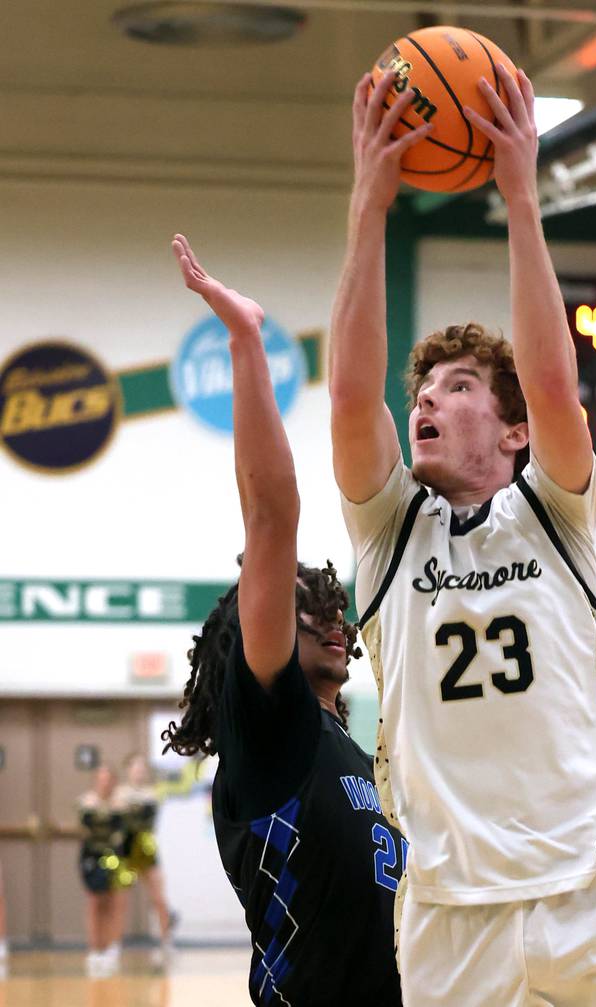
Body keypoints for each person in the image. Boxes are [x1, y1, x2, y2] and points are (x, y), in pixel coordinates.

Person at [329, 67, 596, 1005]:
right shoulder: (390, 529)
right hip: (450, 907)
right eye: (424, 390)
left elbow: (556, 385)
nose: (426, 400)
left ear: (514, 431)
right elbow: (352, 394)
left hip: (589, 887)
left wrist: (522, 194)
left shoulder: (554, 511)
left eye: (459, 387)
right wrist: (371, 199)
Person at [162, 235, 403, 1007]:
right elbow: (271, 517)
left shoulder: (356, 751)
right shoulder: (271, 732)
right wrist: (246, 343)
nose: (331, 622)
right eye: (306, 615)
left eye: (333, 607)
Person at [116, 753, 177, 966]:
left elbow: (151, 809)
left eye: (142, 767)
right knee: (120, 900)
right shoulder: (120, 793)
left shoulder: (152, 793)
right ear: (128, 769)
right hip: (126, 850)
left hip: (147, 849)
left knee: (159, 898)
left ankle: (166, 941)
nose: (139, 771)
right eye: (135, 767)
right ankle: (114, 944)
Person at [77, 765, 132, 978]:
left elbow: (125, 830)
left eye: (109, 779)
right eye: (101, 778)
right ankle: (95, 949)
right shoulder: (86, 802)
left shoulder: (122, 804)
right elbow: (86, 827)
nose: (105, 783)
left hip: (116, 856)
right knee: (94, 902)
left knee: (116, 902)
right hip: (92, 855)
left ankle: (113, 947)